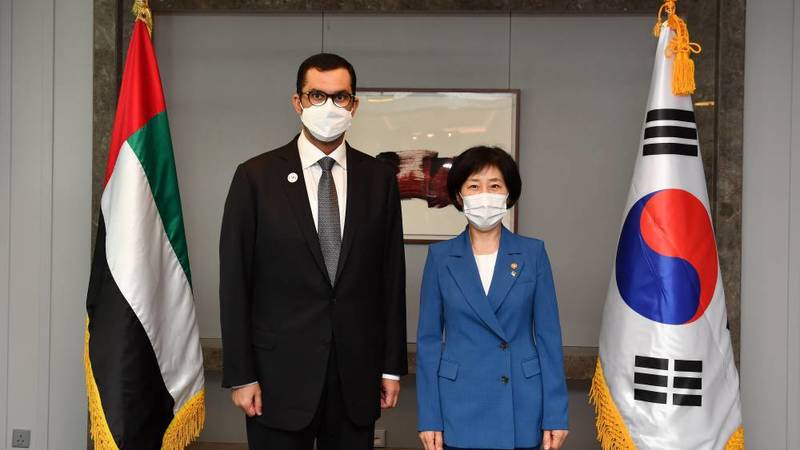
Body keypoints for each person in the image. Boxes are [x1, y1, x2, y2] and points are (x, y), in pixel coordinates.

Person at [219, 53, 407, 450]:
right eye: (317, 95)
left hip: (356, 376)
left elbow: (391, 279)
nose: (329, 106)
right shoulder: (255, 177)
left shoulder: (379, 179)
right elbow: (234, 282)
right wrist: (241, 374)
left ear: (354, 105)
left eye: (340, 97)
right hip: (276, 378)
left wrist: (392, 367)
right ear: (297, 102)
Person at [416, 146, 569, 450]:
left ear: (508, 195)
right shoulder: (440, 258)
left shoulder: (532, 253)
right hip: (458, 403)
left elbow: (549, 338)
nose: (484, 195)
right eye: (474, 186)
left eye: (495, 185)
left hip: (521, 402)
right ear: (459, 195)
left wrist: (556, 414)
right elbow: (428, 343)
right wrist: (429, 417)